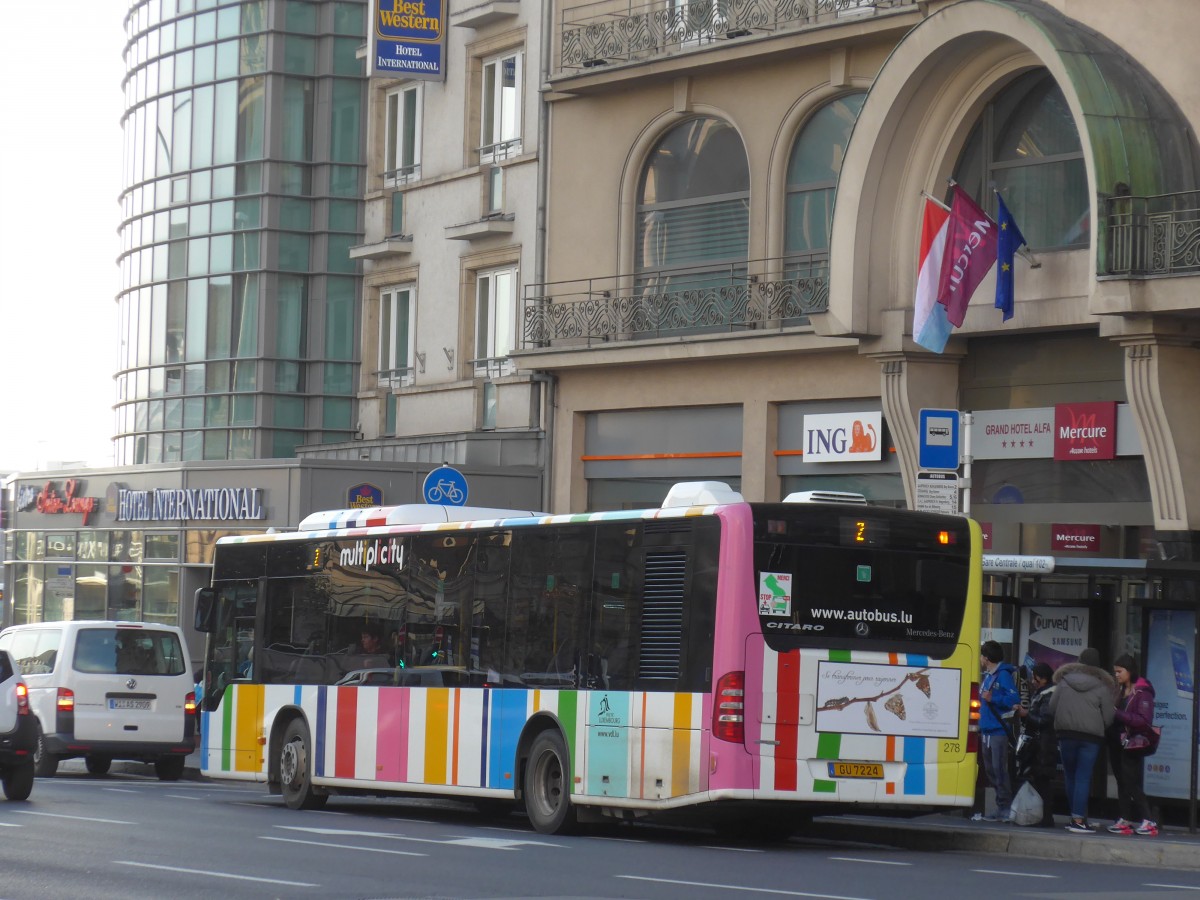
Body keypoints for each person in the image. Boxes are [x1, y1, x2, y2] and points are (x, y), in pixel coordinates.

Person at [1049, 647, 1115, 834]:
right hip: (1090, 737)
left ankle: (1074, 816)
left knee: (1070, 776)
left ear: (1078, 662)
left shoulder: (1064, 681)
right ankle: (1079, 819)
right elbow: (1109, 716)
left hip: (1066, 734)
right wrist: (1098, 724)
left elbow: (1052, 707)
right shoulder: (1102, 686)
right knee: (1083, 776)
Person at [1107, 653, 1159, 836]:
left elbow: (1143, 721)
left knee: (1131, 782)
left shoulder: (1142, 692)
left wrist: (1117, 714)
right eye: (1115, 672)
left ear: (1130, 671)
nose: (1117, 675)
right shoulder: (1119, 690)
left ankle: (1149, 820)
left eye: (1120, 671)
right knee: (1121, 781)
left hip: (1133, 743)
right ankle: (1125, 819)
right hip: (1116, 740)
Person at [977, 640, 1020, 822]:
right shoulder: (988, 676)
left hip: (997, 731)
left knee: (998, 769)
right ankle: (1001, 804)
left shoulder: (1002, 675)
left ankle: (1005, 806)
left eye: (981, 656)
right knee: (990, 770)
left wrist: (993, 697)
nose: (980, 659)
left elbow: (1013, 699)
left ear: (986, 658)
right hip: (987, 730)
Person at [1013, 661, 1057, 827]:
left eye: (1035, 677)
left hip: (1043, 746)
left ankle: (1046, 818)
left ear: (1043, 678)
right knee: (1039, 780)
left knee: (1043, 782)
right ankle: (1042, 816)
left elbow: (1045, 720)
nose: (1032, 681)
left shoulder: (1049, 694)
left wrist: (1025, 714)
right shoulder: (1041, 693)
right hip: (1040, 745)